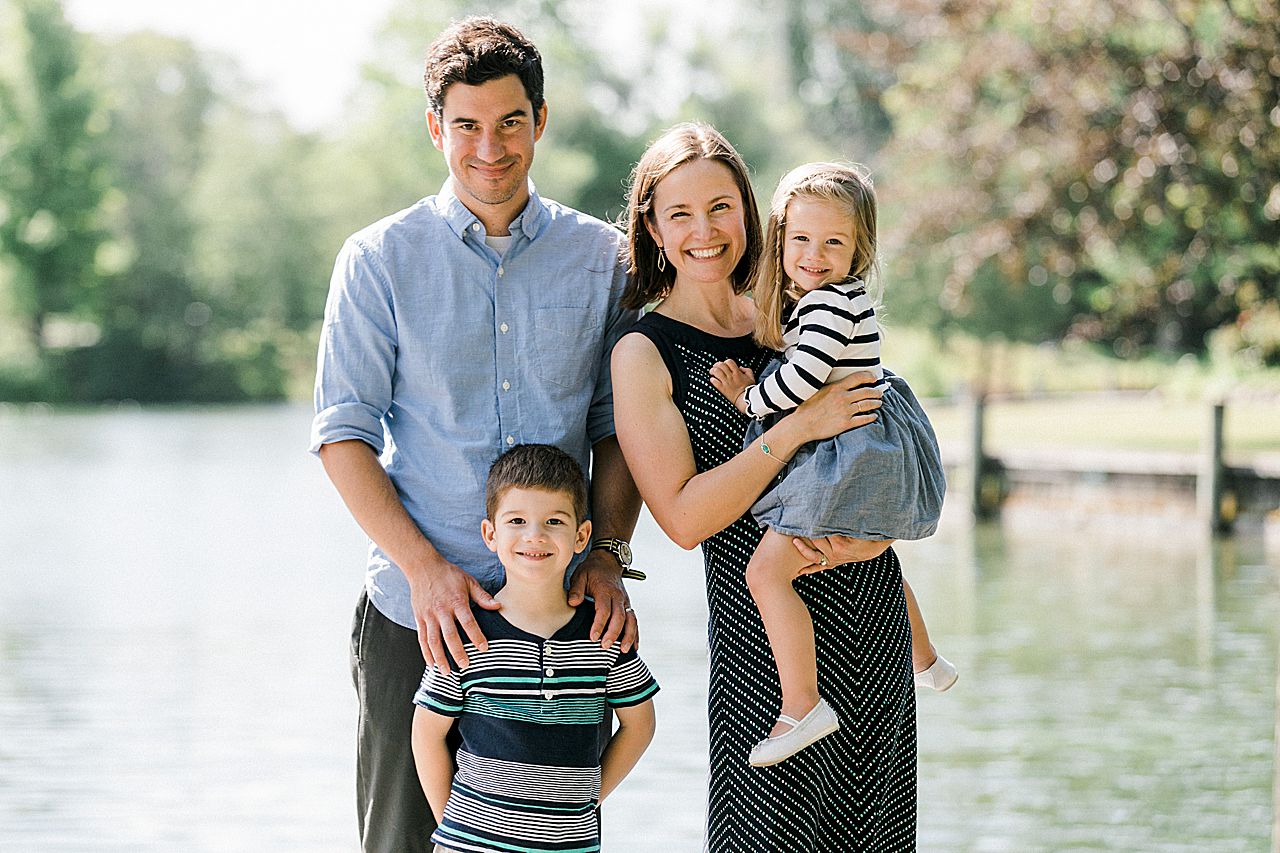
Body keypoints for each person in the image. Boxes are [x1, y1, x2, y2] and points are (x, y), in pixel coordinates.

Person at [309, 18, 642, 853]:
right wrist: (426, 572)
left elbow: (619, 432)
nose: (489, 148)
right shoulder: (378, 259)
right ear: (435, 127)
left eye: (510, 122)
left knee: (550, 840)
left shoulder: (602, 259)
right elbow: (342, 435)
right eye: (466, 125)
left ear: (540, 121)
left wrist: (606, 555)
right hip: (415, 622)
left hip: (561, 624)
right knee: (399, 842)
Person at [611, 122, 916, 850]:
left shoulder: (803, 312)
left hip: (868, 615)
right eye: (679, 213)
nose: (705, 230)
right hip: (764, 659)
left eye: (721, 207)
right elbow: (684, 520)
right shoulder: (644, 350)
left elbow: (882, 449)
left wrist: (873, 537)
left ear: (753, 214)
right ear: (651, 228)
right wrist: (796, 426)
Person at [706, 162, 954, 767]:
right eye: (801, 240)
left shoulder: (829, 307)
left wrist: (746, 398)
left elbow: (803, 379)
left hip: (842, 451)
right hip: (859, 446)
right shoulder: (828, 300)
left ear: (859, 247)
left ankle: (802, 705)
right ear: (781, 237)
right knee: (869, 548)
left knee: (766, 574)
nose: (814, 255)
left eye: (833, 243)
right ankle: (925, 658)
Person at [412, 444, 658, 853]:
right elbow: (426, 735)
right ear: (491, 534)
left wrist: (588, 798)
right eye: (517, 521)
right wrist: (452, 830)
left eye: (554, 521)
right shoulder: (469, 633)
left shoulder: (602, 634)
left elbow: (640, 725)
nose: (535, 536)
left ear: (581, 536)